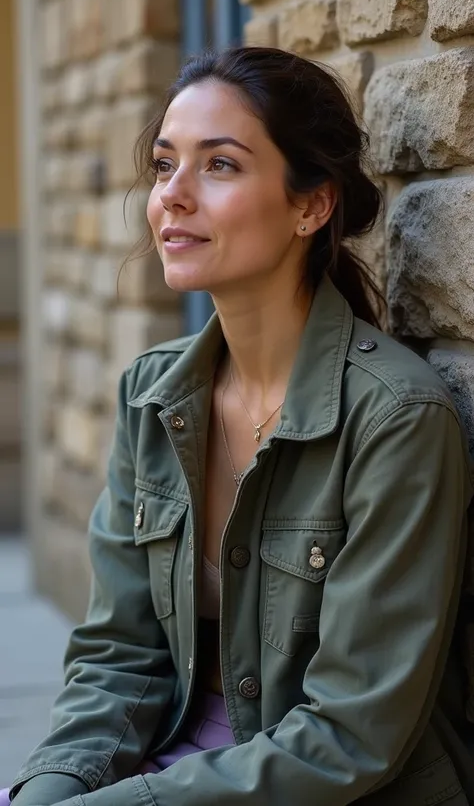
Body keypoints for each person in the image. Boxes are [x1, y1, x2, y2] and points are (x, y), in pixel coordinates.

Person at [2, 46, 473, 806]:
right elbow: (116, 657)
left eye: (218, 165)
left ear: (310, 205)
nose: (173, 197)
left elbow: (353, 736)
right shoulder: (149, 395)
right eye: (164, 165)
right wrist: (51, 791)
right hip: (175, 755)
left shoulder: (395, 418)